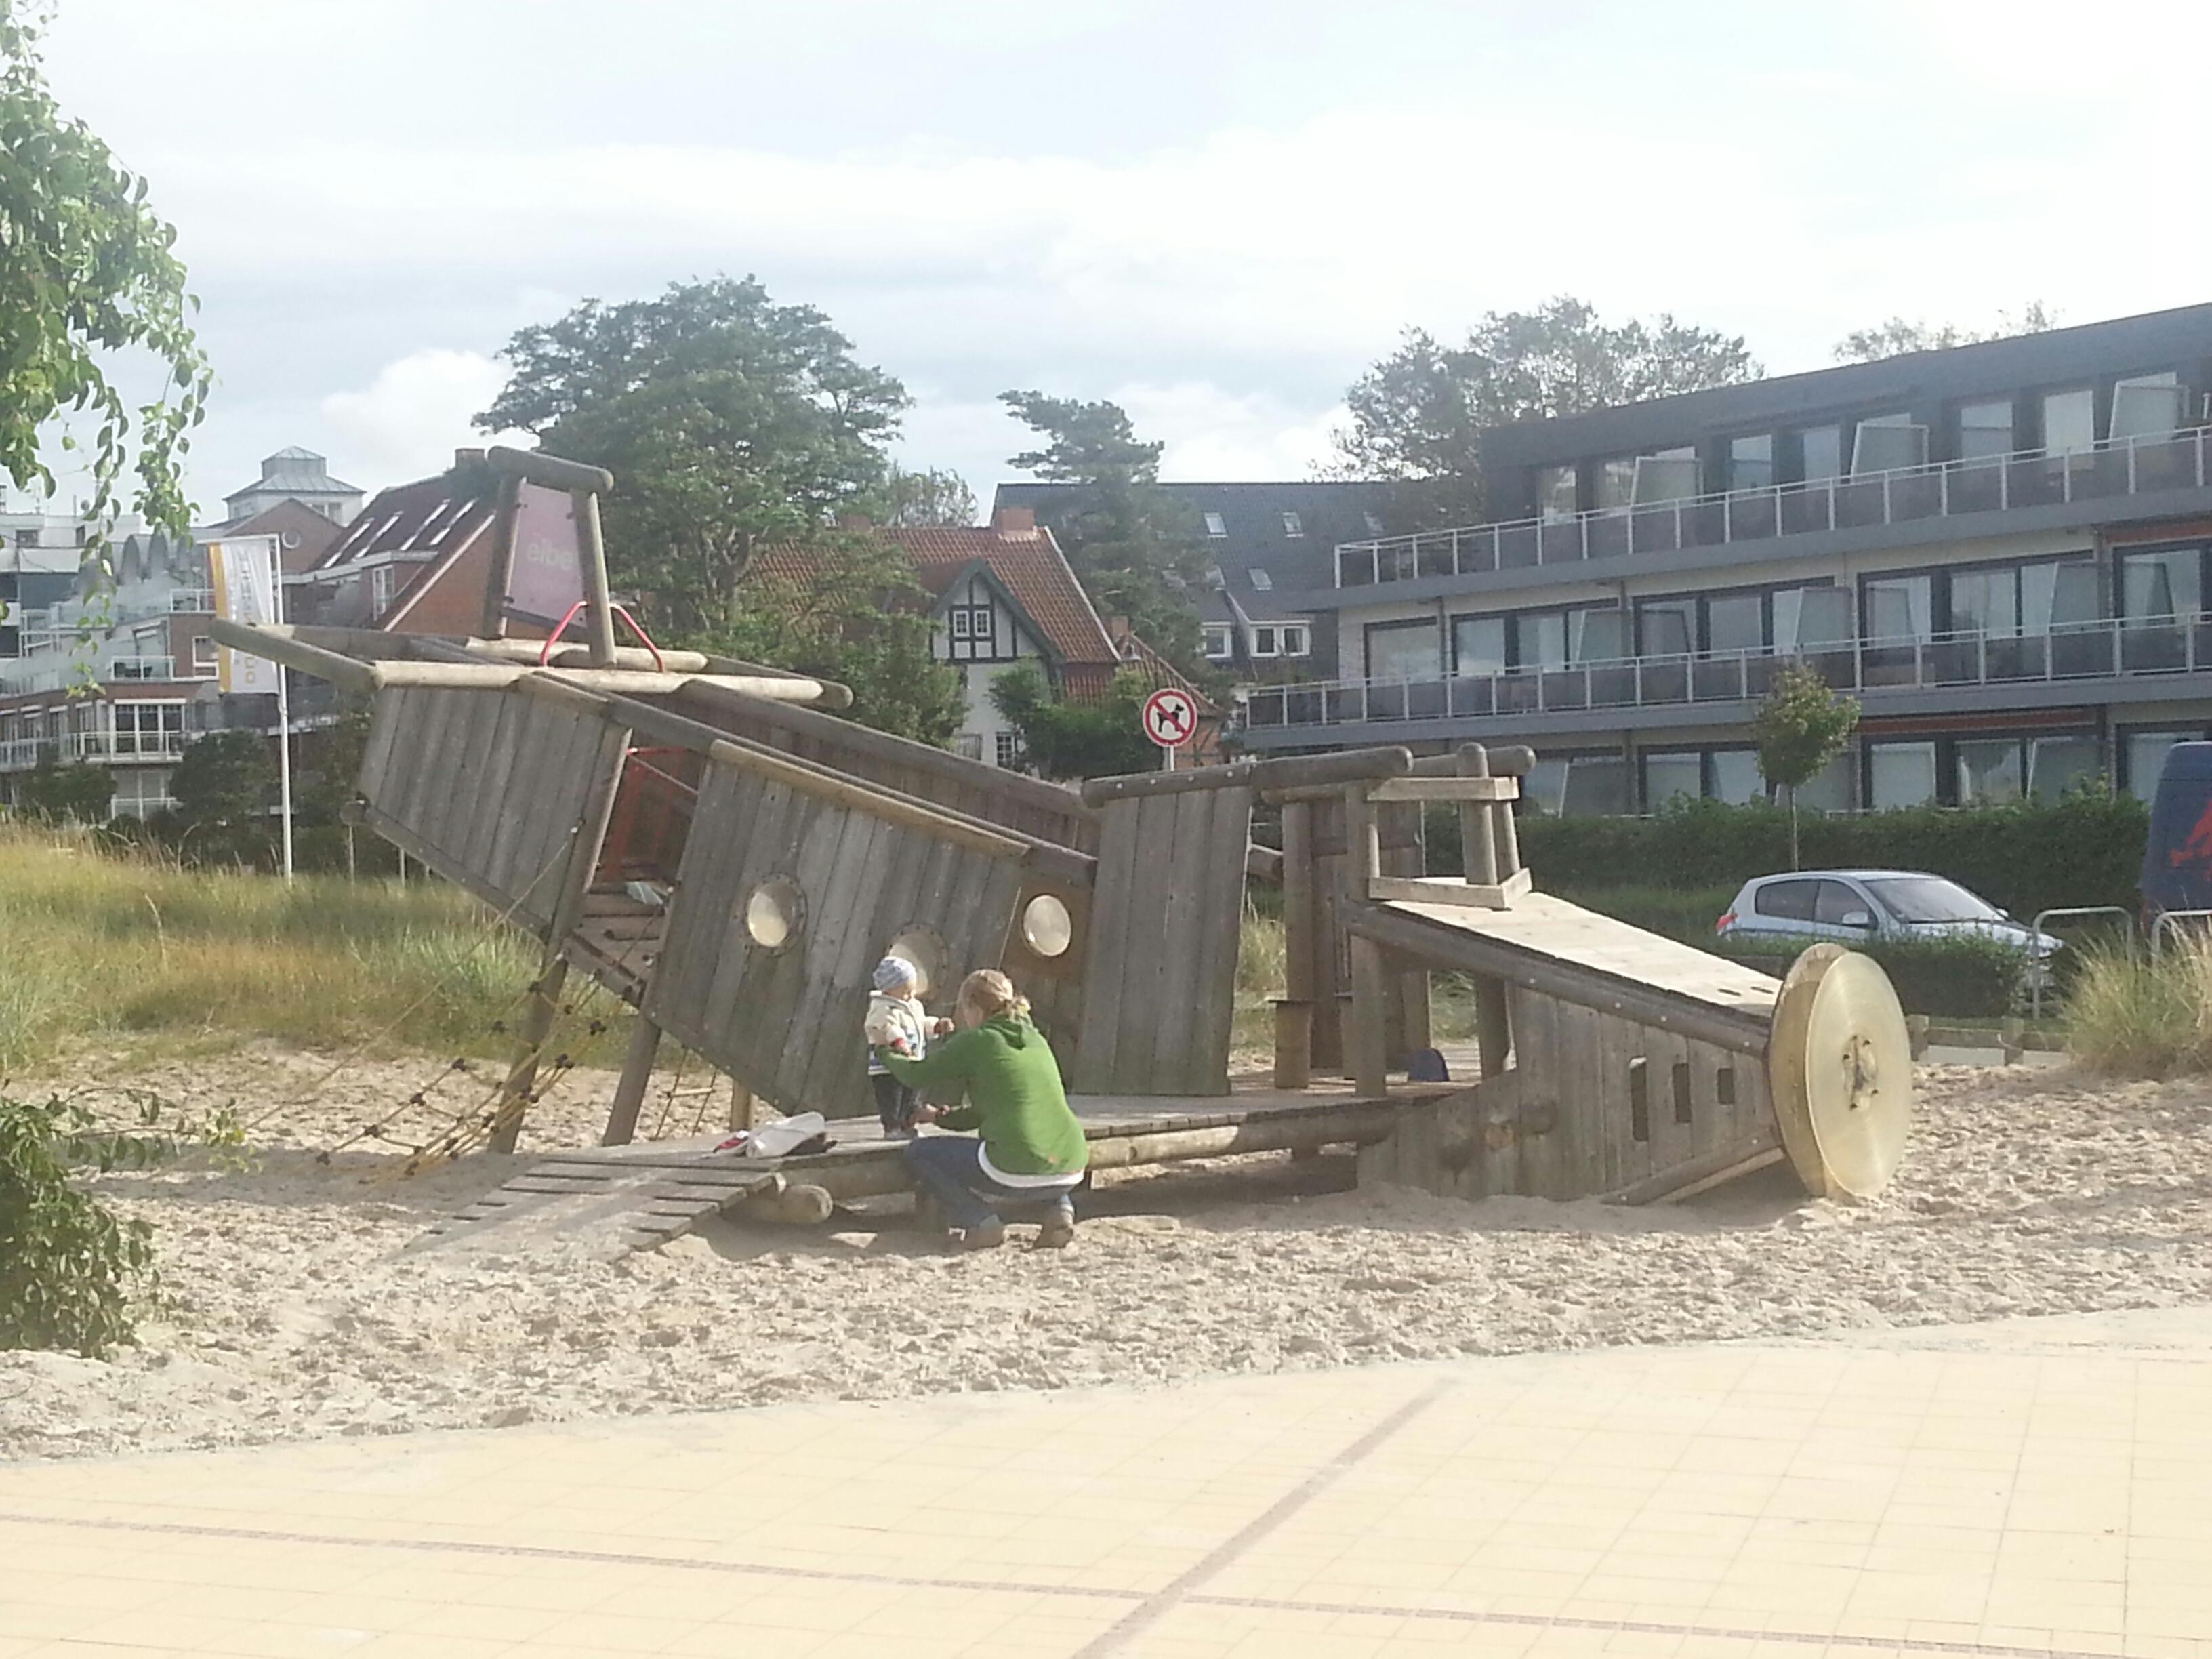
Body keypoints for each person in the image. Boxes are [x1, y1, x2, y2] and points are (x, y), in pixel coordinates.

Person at [876, 968, 1086, 1250]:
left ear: (972, 1007)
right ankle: (1060, 1212)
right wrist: (941, 1117)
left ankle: (980, 1221)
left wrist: (885, 1052)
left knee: (921, 1153)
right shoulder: (1036, 1039)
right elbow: (993, 1109)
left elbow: (916, 1075)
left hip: (1014, 1165)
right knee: (1039, 1146)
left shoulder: (978, 1040)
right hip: (1071, 1164)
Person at [863, 956, 948, 1137]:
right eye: (905, 992)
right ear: (888, 990)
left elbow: (921, 1022)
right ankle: (892, 1127)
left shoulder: (912, 1005)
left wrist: (936, 1026)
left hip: (911, 1060)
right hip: (888, 1066)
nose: (910, 996)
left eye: (912, 991)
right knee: (892, 1097)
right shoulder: (883, 1008)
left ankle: (908, 1123)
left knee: (910, 1095)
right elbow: (886, 1027)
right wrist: (898, 1041)